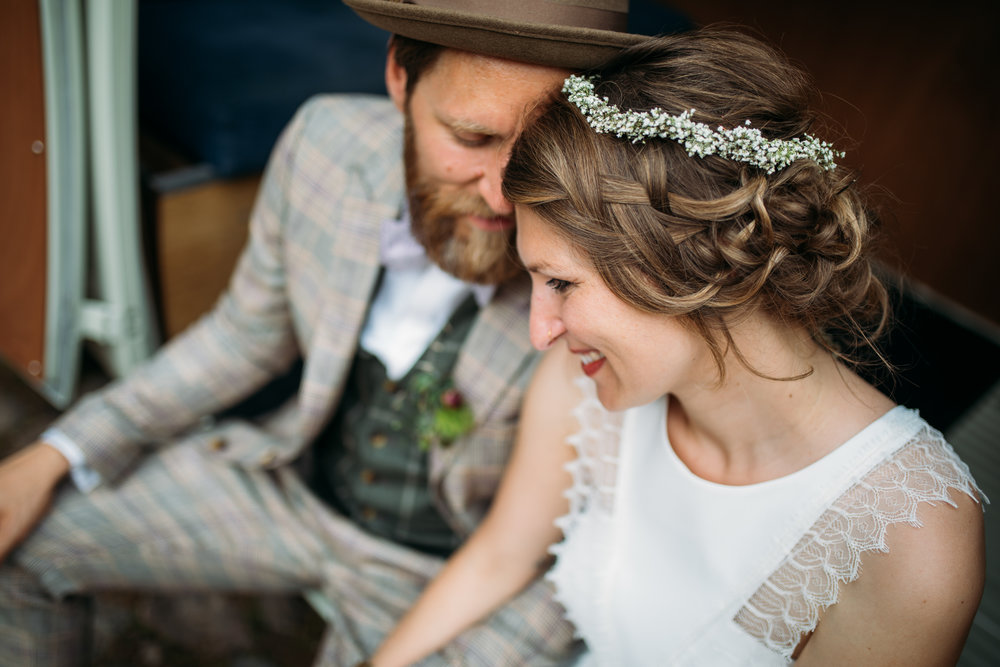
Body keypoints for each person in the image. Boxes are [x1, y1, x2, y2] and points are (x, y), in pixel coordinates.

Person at [0, 2, 651, 664]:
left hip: (443, 578)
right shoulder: (322, 143)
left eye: (539, 149)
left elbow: (587, 539)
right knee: (15, 553)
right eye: (471, 138)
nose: (502, 196)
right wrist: (53, 451)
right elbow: (241, 337)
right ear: (400, 78)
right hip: (286, 487)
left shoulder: (616, 261)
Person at [365, 28, 987, 666]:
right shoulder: (582, 380)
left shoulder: (908, 536)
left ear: (682, 264)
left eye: (559, 283)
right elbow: (500, 556)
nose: (540, 329)